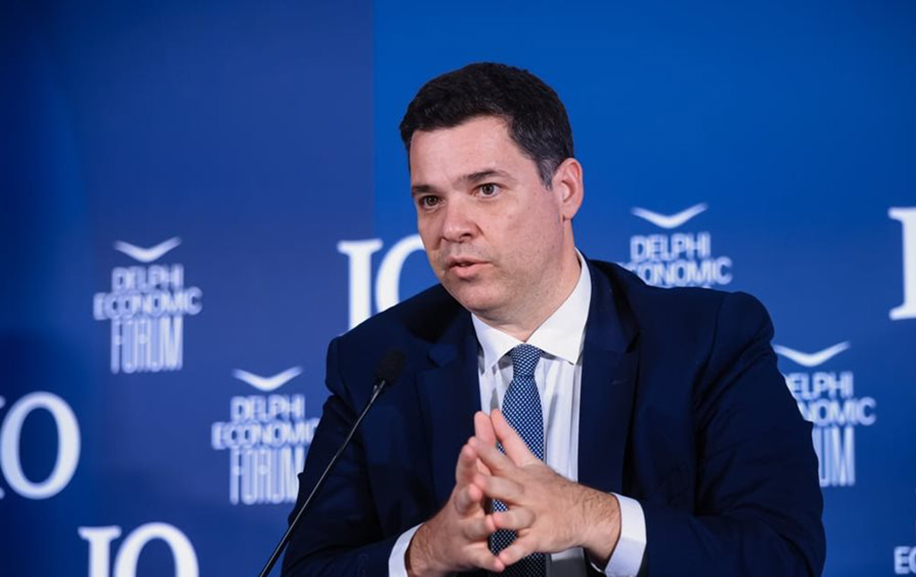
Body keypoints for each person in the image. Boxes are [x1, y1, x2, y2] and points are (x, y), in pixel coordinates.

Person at [283, 62, 825, 576]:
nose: (451, 227)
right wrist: (425, 552)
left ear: (565, 190)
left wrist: (593, 517)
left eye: (486, 189)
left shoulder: (706, 341)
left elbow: (780, 555)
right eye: (429, 200)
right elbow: (308, 567)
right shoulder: (376, 364)